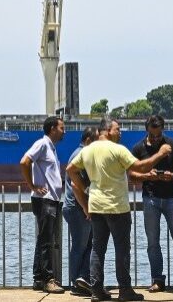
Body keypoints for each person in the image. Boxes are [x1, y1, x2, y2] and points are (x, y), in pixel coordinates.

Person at [66, 119, 172, 302]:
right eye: (118, 129)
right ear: (107, 130)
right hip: (117, 207)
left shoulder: (87, 150)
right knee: (122, 250)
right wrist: (161, 154)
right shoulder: (118, 149)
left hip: (96, 206)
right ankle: (125, 290)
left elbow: (70, 170)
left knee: (98, 250)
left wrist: (84, 194)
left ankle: (97, 291)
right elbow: (140, 167)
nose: (121, 132)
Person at [129, 115, 173, 293]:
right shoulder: (138, 148)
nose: (157, 138)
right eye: (153, 135)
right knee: (152, 242)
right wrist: (147, 176)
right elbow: (131, 174)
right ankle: (157, 279)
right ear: (147, 130)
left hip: (172, 197)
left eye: (159, 135)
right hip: (150, 198)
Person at [19, 116, 66, 293]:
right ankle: (48, 280)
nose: (64, 131)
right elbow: (24, 161)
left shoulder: (51, 148)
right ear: (53, 128)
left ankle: (39, 278)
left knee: (43, 240)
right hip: (45, 200)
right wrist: (32, 186)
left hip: (50, 199)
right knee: (46, 241)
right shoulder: (42, 144)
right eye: (62, 127)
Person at [63, 126, 98, 296]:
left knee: (88, 245)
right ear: (89, 140)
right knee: (80, 246)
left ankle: (82, 280)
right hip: (78, 208)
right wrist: (86, 208)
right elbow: (76, 185)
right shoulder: (81, 155)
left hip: (79, 207)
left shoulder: (79, 153)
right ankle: (76, 282)